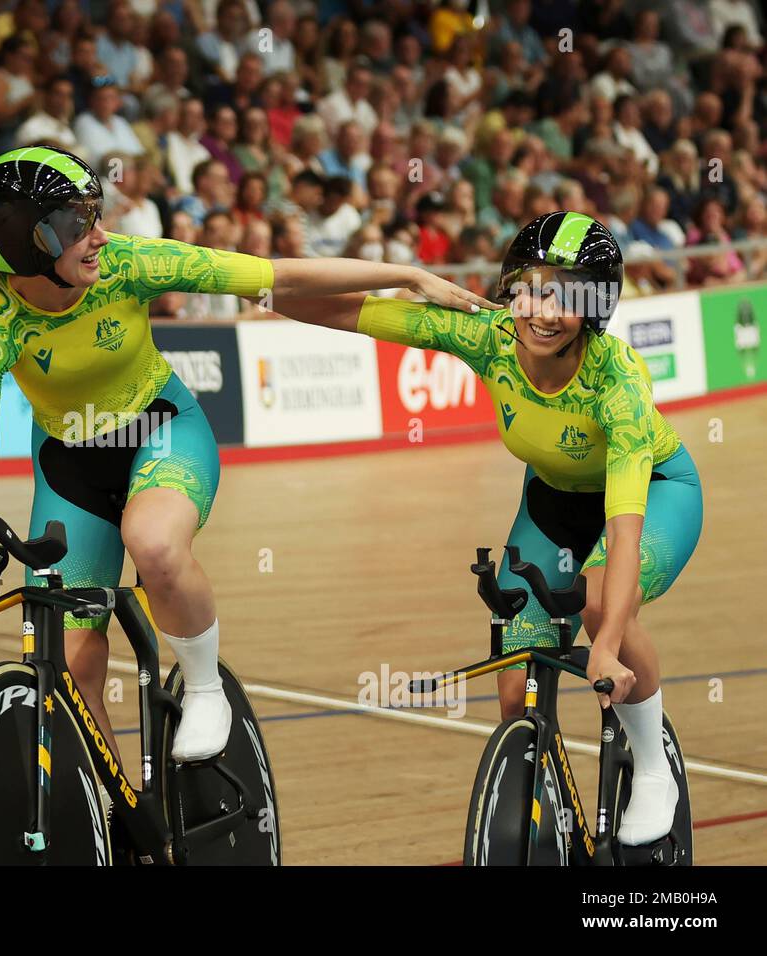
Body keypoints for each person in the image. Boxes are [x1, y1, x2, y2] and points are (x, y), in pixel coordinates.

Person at [0, 145, 491, 769]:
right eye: (79, 225)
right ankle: (113, 813)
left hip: (160, 429)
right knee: (70, 669)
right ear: (27, 244)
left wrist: (405, 275)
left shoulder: (132, 261)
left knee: (152, 542)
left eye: (96, 215)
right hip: (69, 466)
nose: (101, 236)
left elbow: (276, 276)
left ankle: (205, 685)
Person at [284, 211, 703, 848]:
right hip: (553, 504)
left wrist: (609, 644)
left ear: (595, 310)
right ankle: (553, 825)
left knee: (594, 602)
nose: (540, 310)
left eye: (563, 297)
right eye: (531, 287)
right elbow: (347, 311)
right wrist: (264, 290)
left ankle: (651, 765)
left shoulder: (617, 387)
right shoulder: (489, 338)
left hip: (654, 496)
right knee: (516, 695)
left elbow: (622, 529)